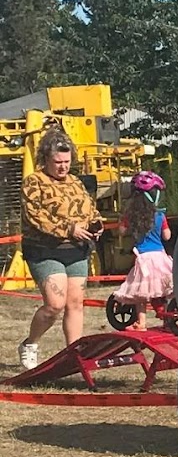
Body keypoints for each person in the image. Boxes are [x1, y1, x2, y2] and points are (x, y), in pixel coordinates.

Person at [18, 127, 104, 369]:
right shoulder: (33, 182)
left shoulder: (76, 182)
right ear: (45, 159)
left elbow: (90, 209)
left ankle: (73, 356)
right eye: (58, 162)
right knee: (55, 304)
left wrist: (96, 224)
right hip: (44, 249)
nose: (63, 167)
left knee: (75, 303)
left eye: (67, 161)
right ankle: (30, 343)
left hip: (76, 249)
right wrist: (69, 228)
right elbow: (36, 217)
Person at [111, 171, 172, 330]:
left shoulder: (131, 216)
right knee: (162, 290)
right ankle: (167, 320)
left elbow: (121, 232)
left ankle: (141, 322)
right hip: (160, 257)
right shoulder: (160, 215)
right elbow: (167, 236)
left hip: (144, 258)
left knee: (141, 293)